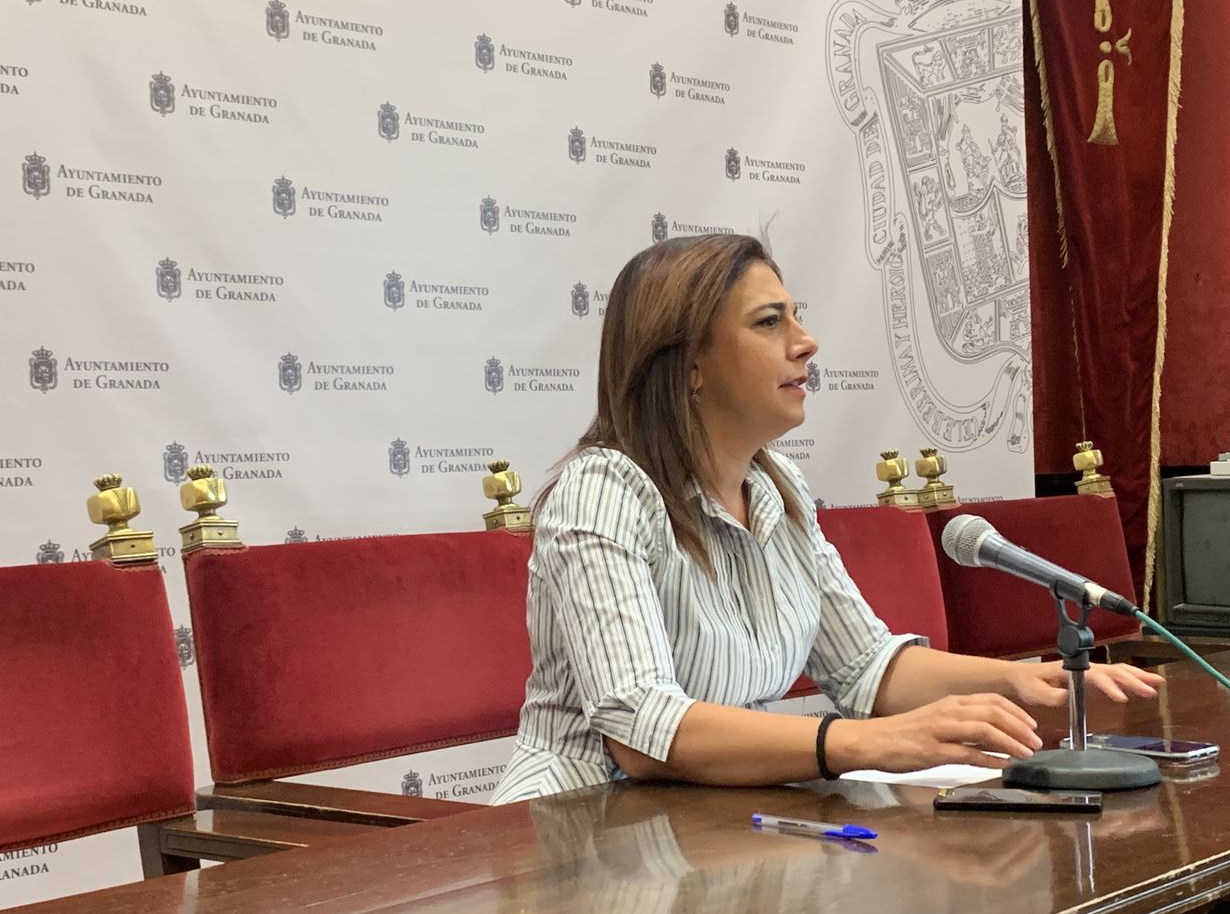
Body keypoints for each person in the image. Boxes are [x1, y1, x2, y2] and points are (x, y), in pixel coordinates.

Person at [491, 234, 1160, 805]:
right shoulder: (604, 491)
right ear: (690, 364)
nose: (806, 343)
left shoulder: (781, 491)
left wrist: (1017, 679)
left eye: (798, 317)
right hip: (577, 833)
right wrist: (864, 743)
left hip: (704, 827)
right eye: (769, 322)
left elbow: (864, 666)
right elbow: (639, 731)